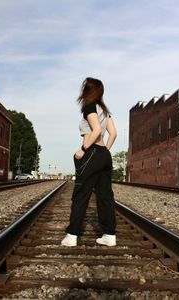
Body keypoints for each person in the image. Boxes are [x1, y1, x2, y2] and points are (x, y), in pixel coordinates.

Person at [61, 77, 117, 247]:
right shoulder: (105, 110)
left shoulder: (89, 106)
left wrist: (83, 149)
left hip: (91, 153)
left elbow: (97, 130)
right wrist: (104, 151)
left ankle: (72, 235)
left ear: (87, 90)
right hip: (104, 155)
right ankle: (109, 235)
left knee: (80, 195)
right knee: (105, 196)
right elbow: (113, 134)